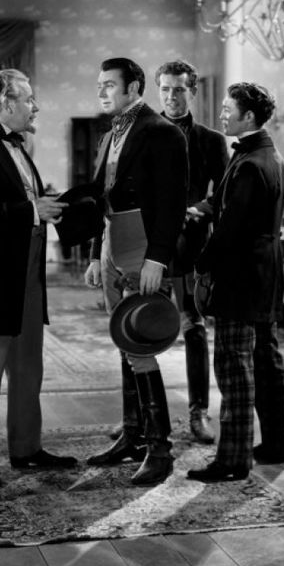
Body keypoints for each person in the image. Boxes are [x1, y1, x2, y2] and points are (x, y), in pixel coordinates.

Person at [0, 68, 77, 487]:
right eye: (27, 99)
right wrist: (31, 210)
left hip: (29, 272)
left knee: (28, 367)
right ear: (3, 104)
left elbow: (21, 200)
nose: (34, 106)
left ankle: (27, 449)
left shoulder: (21, 147)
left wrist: (47, 203)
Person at [84, 57, 189, 485]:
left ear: (133, 88)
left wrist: (157, 258)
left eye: (109, 84)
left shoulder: (161, 132)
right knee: (122, 339)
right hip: (112, 240)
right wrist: (96, 254)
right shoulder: (109, 134)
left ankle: (160, 449)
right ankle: (132, 436)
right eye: (99, 84)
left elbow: (173, 201)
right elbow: (99, 199)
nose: (102, 91)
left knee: (140, 343)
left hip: (143, 242)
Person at [186, 82, 284, 483]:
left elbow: (231, 228)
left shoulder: (248, 162)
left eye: (228, 109)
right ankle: (277, 445)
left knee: (234, 365)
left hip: (240, 273)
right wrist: (202, 207)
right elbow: (231, 204)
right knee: (265, 360)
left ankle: (232, 461)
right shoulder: (269, 155)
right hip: (267, 271)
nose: (222, 115)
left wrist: (202, 263)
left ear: (248, 116)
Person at [154, 58, 230, 444]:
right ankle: (140, 417)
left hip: (191, 248)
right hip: (148, 250)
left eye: (179, 89)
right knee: (138, 328)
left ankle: (199, 412)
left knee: (194, 330)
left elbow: (226, 195)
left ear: (193, 91)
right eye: (165, 89)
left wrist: (198, 209)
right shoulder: (141, 134)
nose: (171, 96)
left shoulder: (212, 140)